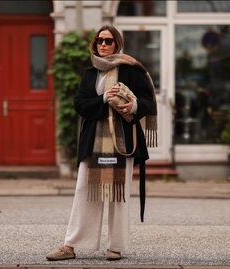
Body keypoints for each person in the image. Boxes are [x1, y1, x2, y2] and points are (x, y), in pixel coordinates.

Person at [46, 25, 157, 261]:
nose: (103, 45)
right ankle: (70, 246)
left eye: (108, 41)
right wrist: (103, 99)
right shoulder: (90, 72)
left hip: (123, 141)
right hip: (93, 141)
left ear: (117, 43)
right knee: (85, 191)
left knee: (119, 194)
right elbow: (80, 104)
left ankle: (115, 246)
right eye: (99, 41)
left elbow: (148, 100)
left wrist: (133, 107)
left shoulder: (131, 70)